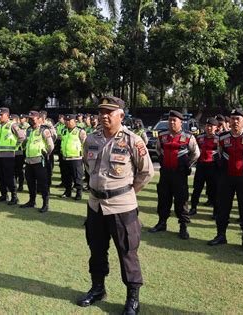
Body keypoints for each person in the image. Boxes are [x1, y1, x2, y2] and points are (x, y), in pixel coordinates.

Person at [77, 96, 154, 315]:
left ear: (121, 115)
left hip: (122, 207)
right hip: (95, 205)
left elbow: (146, 172)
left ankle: (132, 299)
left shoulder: (132, 140)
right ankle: (98, 288)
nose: (104, 116)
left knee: (127, 251)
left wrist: (127, 192)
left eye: (109, 112)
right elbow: (87, 165)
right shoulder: (91, 139)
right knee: (97, 249)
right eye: (101, 112)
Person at [208, 108, 243, 253]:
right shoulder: (222, 138)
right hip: (226, 179)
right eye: (232, 118)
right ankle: (221, 236)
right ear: (229, 121)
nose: (235, 121)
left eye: (238, 119)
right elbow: (218, 155)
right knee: (222, 207)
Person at [148, 110, 200, 239]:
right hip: (165, 173)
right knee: (163, 198)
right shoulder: (162, 135)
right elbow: (158, 149)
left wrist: (187, 164)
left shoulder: (188, 137)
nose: (171, 123)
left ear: (180, 123)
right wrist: (163, 159)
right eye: (170, 120)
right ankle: (162, 223)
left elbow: (196, 153)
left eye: (174, 120)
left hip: (180, 174)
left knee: (181, 200)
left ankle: (183, 227)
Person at [20, 111, 54, 212]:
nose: (30, 120)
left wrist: (46, 154)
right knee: (30, 182)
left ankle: (45, 203)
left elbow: (51, 145)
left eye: (32, 118)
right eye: (29, 118)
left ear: (38, 118)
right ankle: (32, 201)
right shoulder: (29, 130)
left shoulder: (44, 130)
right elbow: (26, 142)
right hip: (29, 161)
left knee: (42, 184)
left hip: (40, 161)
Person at [0, 107, 25, 205]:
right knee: (0, 176)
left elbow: (22, 137)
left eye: (1, 115)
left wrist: (15, 147)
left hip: (9, 155)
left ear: (7, 115)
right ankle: (4, 195)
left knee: (9, 177)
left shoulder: (13, 125)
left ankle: (14, 196)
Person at [190, 117, 220, 218]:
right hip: (201, 166)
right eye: (207, 126)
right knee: (197, 188)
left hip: (213, 167)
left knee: (214, 190)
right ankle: (193, 208)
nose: (209, 128)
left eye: (211, 126)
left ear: (216, 128)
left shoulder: (219, 139)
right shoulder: (199, 138)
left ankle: (216, 212)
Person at [60, 114, 87, 200]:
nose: (67, 122)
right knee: (66, 176)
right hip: (65, 157)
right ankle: (67, 192)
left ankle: (79, 193)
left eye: (69, 120)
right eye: (66, 120)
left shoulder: (80, 131)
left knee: (77, 176)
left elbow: (85, 144)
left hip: (76, 158)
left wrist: (83, 155)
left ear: (74, 121)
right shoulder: (64, 130)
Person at [11, 114, 25, 192]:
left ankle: (21, 185)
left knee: (19, 170)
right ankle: (14, 185)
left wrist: (16, 144)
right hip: (12, 152)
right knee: (13, 170)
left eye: (12, 120)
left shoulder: (18, 128)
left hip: (19, 151)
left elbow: (22, 138)